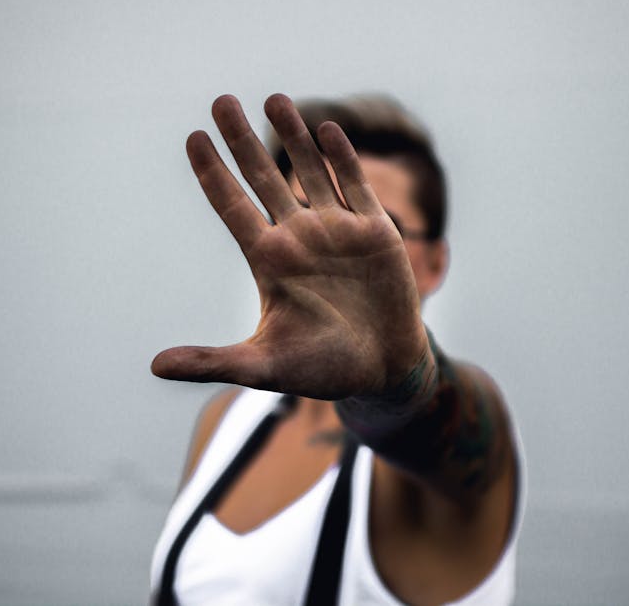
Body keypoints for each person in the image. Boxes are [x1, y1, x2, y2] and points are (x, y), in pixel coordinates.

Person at [149, 93, 523, 606]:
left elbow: (442, 430)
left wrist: (402, 385)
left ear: (436, 263)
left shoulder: (437, 458)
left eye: (381, 226)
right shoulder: (228, 420)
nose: (335, 247)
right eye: (307, 216)